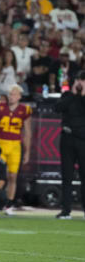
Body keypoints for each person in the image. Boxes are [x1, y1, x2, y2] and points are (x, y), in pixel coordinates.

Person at [0, 85, 32, 215]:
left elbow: (27, 132)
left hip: (15, 145)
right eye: (10, 94)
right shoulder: (0, 107)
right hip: (0, 144)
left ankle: (9, 204)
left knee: (12, 176)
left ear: (20, 96)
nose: (11, 96)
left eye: (14, 94)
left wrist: (27, 151)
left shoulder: (25, 110)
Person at [54, 71, 85, 219]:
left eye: (83, 80)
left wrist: (83, 95)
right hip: (67, 138)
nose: (80, 83)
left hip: (83, 140)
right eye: (78, 79)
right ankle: (66, 210)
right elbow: (57, 108)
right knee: (67, 176)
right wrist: (73, 94)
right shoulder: (67, 96)